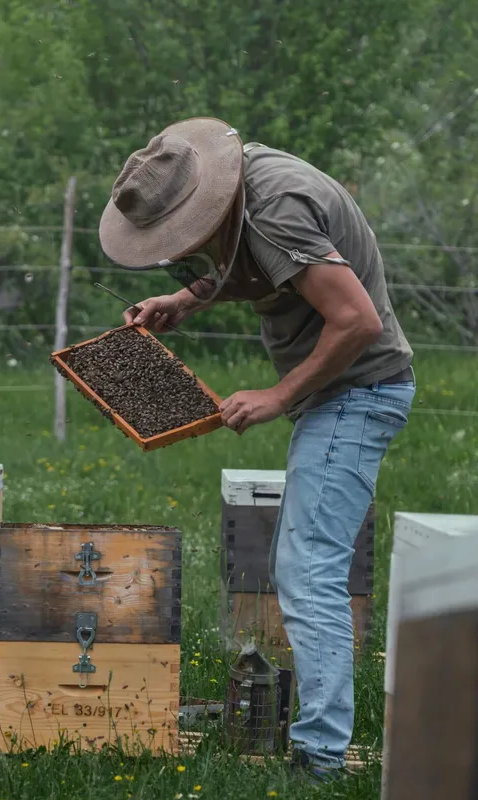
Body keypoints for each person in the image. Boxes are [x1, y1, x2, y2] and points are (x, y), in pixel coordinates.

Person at [98, 118, 414, 783]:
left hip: (358, 392)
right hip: (340, 393)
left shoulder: (276, 211)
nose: (186, 247)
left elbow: (357, 320)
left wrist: (278, 394)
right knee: (305, 564)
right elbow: (249, 265)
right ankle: (321, 744)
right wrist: (184, 299)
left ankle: (320, 759)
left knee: (310, 568)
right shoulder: (250, 193)